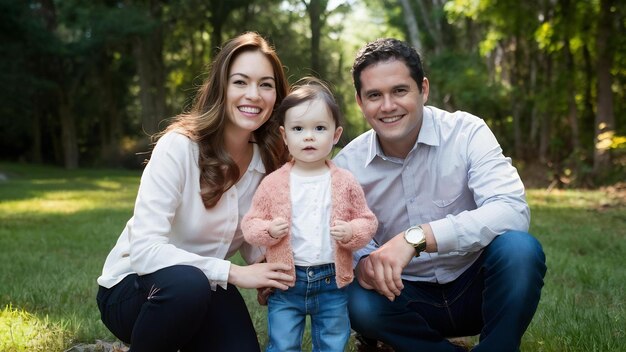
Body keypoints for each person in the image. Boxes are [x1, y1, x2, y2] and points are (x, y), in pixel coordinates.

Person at [332, 38, 547, 352]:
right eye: (375, 95)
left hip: (477, 288)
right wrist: (363, 263)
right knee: (351, 297)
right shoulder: (346, 167)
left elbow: (512, 210)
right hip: (402, 297)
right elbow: (338, 242)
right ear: (360, 102)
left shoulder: (467, 132)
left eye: (400, 91)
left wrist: (417, 238)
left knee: (520, 249)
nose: (388, 105)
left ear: (424, 89)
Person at [95, 32, 295, 352]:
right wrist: (235, 273)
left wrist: (273, 272)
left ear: (277, 96)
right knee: (188, 286)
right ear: (221, 88)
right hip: (134, 289)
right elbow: (145, 251)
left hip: (209, 286)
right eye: (240, 82)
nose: (254, 95)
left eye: (266, 85)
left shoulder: (269, 162)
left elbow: (254, 240)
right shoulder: (179, 147)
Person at [241, 77, 378, 352]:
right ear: (284, 136)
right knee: (282, 343)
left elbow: (367, 221)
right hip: (287, 281)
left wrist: (352, 233)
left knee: (332, 341)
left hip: (332, 282)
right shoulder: (273, 183)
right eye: (298, 128)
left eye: (319, 128)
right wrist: (268, 231)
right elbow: (250, 224)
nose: (309, 136)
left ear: (336, 135)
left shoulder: (345, 181)